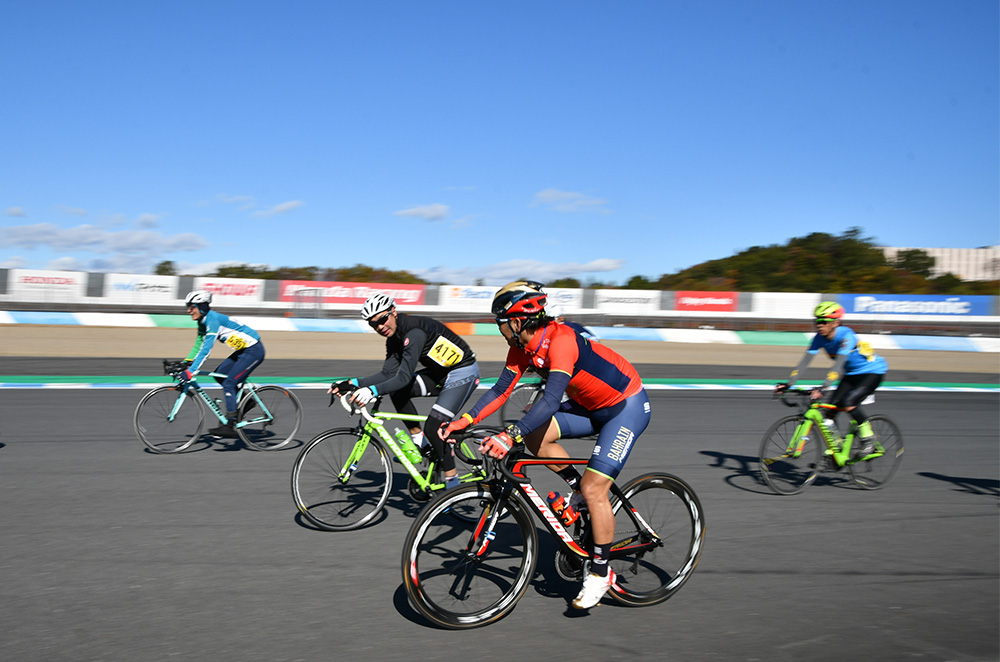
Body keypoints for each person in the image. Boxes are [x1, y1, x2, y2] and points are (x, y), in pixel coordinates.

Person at [442, 280, 651, 610]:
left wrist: (510, 434)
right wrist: (464, 421)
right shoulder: (520, 348)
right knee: (537, 436)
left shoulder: (562, 339)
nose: (498, 329)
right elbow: (500, 391)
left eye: (500, 322)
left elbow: (552, 398)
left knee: (596, 488)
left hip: (626, 407)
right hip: (591, 408)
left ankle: (600, 573)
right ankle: (577, 489)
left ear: (516, 320)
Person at [329, 293, 480, 489]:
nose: (380, 327)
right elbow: (387, 374)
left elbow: (403, 377)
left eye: (383, 319)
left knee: (434, 426)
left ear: (394, 311)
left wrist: (372, 391)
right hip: (440, 374)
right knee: (398, 392)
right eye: (373, 325)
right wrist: (352, 383)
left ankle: (453, 485)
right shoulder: (393, 338)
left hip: (463, 372)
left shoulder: (413, 332)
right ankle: (420, 442)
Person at [775, 301, 889, 456]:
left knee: (848, 403)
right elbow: (804, 362)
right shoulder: (819, 338)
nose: (819, 325)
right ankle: (838, 450)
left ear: (836, 322)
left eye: (824, 322)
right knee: (830, 413)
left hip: (872, 372)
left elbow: (838, 364)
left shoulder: (846, 336)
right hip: (851, 374)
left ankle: (869, 440)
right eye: (817, 321)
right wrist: (789, 383)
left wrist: (824, 387)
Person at [181, 290, 266, 438]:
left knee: (229, 383)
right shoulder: (202, 321)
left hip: (253, 351)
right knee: (219, 376)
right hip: (242, 350)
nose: (189, 311)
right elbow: (199, 345)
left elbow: (206, 350)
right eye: (188, 307)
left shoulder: (212, 320)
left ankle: (230, 424)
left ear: (201, 307)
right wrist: (186, 362)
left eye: (191, 307)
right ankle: (247, 402)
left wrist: (191, 371)